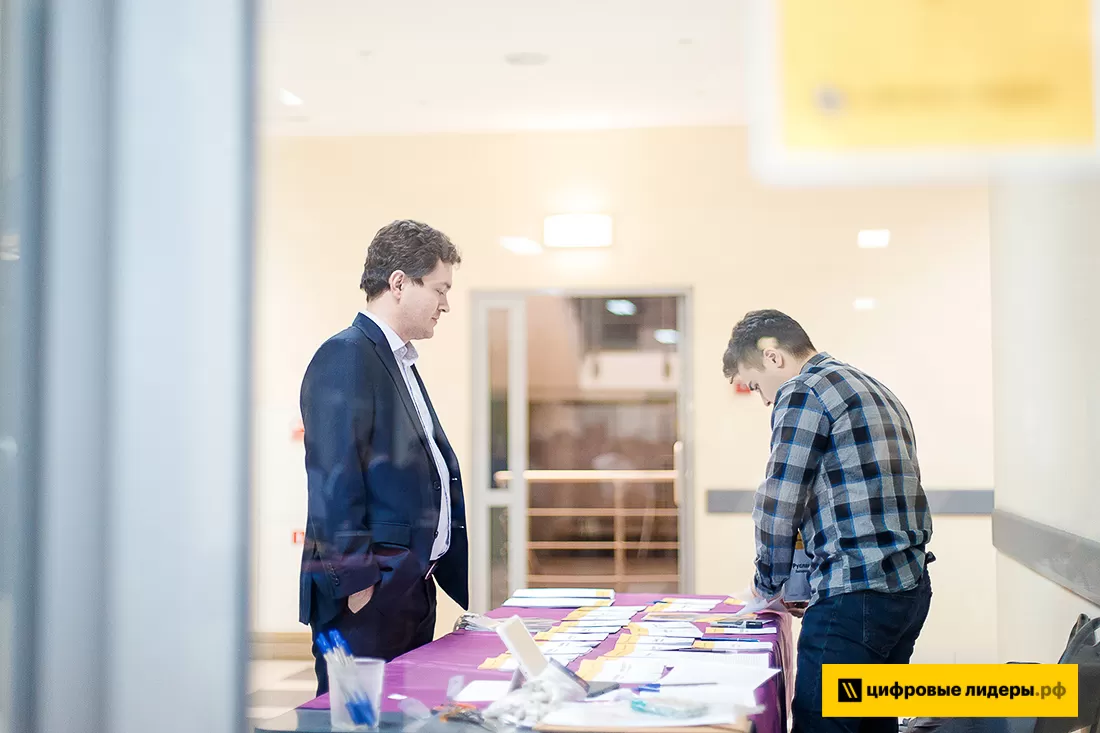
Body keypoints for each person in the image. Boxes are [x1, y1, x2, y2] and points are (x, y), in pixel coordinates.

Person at [722, 310, 933, 733]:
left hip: (855, 596)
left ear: (773, 357)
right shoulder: (871, 386)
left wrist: (765, 586)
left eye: (756, 384)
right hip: (908, 590)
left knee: (823, 726)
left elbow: (781, 499)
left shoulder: (804, 390)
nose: (764, 400)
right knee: (873, 725)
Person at [298, 220, 468, 695]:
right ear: (398, 283)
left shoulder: (398, 359)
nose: (445, 304)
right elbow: (333, 478)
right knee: (359, 719)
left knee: (402, 716)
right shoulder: (347, 355)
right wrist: (358, 584)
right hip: (368, 597)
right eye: (440, 289)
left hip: (407, 588)